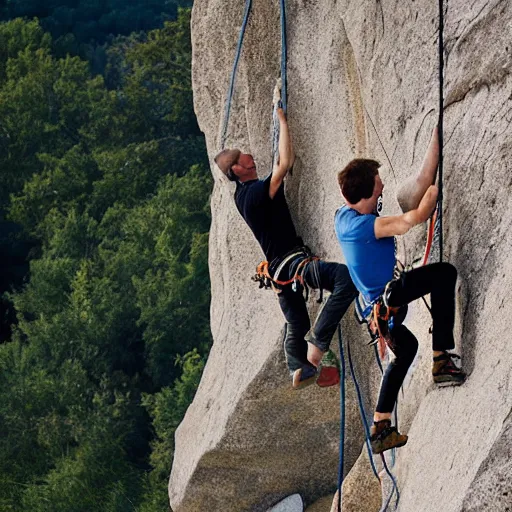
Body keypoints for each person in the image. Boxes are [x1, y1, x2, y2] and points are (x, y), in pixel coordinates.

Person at [335, 126, 466, 454]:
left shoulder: (343, 217)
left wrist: (436, 140)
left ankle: (380, 427)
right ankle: (441, 360)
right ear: (367, 189)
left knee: (404, 350)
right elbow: (414, 219)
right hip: (389, 299)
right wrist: (432, 196)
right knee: (443, 274)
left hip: (377, 311)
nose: (382, 183)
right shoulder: (368, 226)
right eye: (377, 181)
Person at [214, 109, 357, 389]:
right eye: (242, 157)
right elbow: (284, 164)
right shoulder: (254, 193)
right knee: (346, 280)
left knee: (297, 322)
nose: (248, 156)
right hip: (292, 265)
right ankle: (317, 345)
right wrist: (282, 122)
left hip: (279, 273)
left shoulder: (243, 196)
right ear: (237, 170)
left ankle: (297, 365)